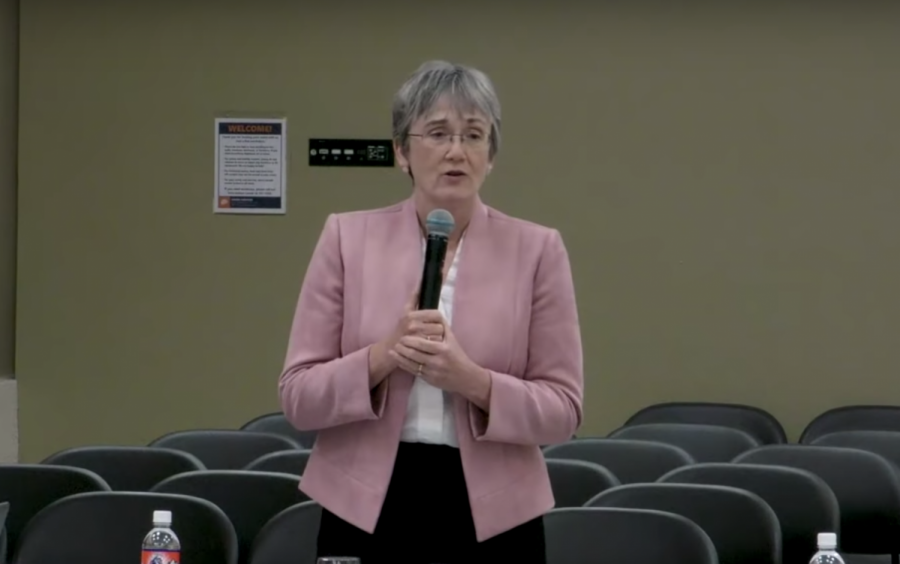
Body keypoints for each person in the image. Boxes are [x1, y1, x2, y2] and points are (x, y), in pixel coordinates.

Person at [278, 60, 584, 564]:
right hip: (364, 506)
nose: (456, 151)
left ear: (491, 156)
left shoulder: (537, 250)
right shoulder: (346, 238)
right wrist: (383, 354)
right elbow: (299, 397)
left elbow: (563, 411)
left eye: (474, 135)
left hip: (496, 514)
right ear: (402, 152)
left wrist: (473, 381)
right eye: (438, 133)